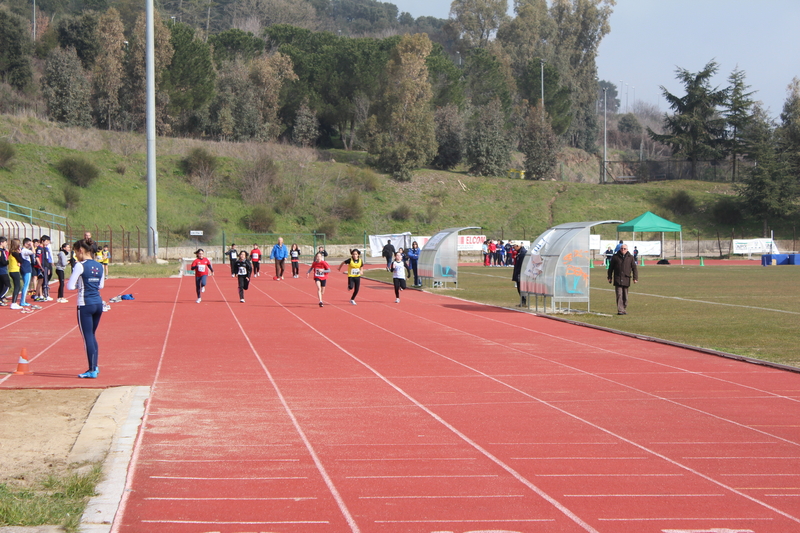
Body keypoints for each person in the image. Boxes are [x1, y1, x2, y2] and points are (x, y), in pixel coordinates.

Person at [68, 239, 105, 379]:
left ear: (81, 250)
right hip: (98, 303)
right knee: (92, 335)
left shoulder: (80, 265)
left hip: (85, 304)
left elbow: (70, 286)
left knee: (88, 337)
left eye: (76, 252)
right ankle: (95, 366)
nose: (75, 255)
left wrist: (80, 285)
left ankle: (92, 369)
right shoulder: (99, 265)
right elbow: (101, 286)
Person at [607, 243, 638, 315]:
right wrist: (609, 277)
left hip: (626, 278)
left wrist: (635, 278)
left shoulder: (630, 257)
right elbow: (610, 268)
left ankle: (623, 308)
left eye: (624, 249)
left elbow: (634, 268)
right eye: (622, 248)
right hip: (618, 278)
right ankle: (620, 310)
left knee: (625, 297)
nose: (623, 250)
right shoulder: (615, 257)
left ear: (627, 249)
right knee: (619, 294)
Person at [8, 239, 23, 310]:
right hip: (14, 271)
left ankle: (14, 302)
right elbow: (21, 260)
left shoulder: (11, 252)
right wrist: (20, 253)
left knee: (18, 286)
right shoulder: (15, 253)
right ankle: (13, 303)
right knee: (17, 287)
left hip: (12, 270)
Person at [0, 237, 9, 306]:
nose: (6, 244)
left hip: (2, 270)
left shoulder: (3, 251)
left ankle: (1, 299)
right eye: (5, 242)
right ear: (1, 243)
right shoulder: (1, 251)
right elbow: (2, 262)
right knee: (7, 285)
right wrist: (8, 262)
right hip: (2, 270)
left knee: (1, 285)